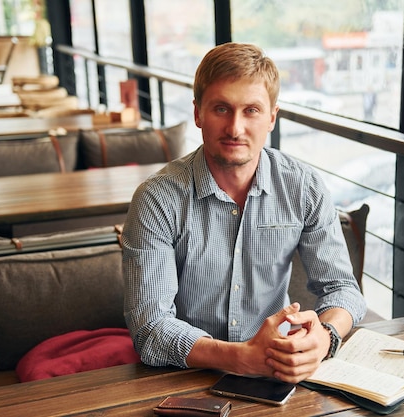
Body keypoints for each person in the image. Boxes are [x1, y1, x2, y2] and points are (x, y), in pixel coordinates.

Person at [122, 42, 367, 384]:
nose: (235, 128)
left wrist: (324, 336)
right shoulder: (156, 199)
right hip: (186, 376)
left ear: (272, 117)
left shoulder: (304, 187)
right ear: (197, 113)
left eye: (251, 110)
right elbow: (149, 327)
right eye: (221, 109)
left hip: (279, 371)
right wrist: (241, 358)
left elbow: (342, 288)